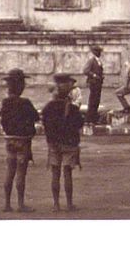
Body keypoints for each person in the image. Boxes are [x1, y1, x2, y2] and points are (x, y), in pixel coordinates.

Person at [41, 74, 85, 212]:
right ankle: (69, 203)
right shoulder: (72, 108)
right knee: (67, 174)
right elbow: (79, 124)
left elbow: (45, 123)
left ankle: (56, 204)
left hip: (54, 143)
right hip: (69, 144)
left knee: (55, 174)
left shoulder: (48, 107)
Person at [0, 69, 39, 212]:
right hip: (23, 140)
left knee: (10, 171)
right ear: (20, 86)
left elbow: (3, 121)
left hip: (10, 139)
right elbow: (35, 117)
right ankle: (21, 204)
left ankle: (7, 204)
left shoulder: (6, 102)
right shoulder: (25, 103)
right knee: (21, 172)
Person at [82, 44, 105, 127]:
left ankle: (93, 118)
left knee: (96, 100)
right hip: (94, 82)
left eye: (100, 51)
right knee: (93, 100)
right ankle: (89, 118)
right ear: (94, 52)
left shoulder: (98, 61)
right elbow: (85, 71)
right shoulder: (92, 61)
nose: (99, 53)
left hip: (98, 82)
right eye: (98, 51)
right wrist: (94, 75)